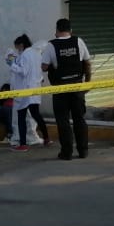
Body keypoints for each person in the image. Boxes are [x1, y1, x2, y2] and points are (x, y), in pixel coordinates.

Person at [41, 18, 91, 160]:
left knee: (63, 121)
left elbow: (44, 67)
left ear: (57, 30)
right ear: (71, 30)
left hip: (60, 89)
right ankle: (83, 151)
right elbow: (87, 63)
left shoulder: (51, 45)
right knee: (79, 119)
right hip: (77, 87)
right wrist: (88, 82)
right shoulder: (78, 41)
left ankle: (66, 152)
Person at [9, 34, 49, 151]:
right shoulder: (36, 53)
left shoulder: (25, 54)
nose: (17, 50)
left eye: (17, 47)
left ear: (21, 45)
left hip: (25, 90)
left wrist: (12, 65)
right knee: (36, 114)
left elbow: (23, 71)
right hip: (35, 89)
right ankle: (47, 138)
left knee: (21, 116)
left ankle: (23, 144)